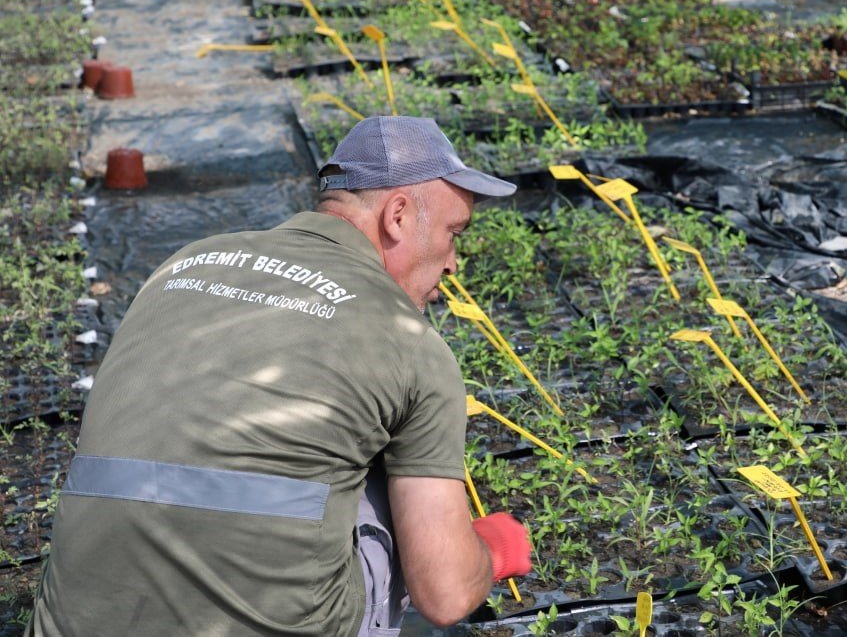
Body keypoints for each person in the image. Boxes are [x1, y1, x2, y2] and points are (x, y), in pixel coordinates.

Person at [30, 116, 533, 636]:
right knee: (389, 472)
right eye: (454, 234)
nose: (453, 264)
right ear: (398, 216)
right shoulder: (408, 340)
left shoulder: (184, 263)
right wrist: (491, 550)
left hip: (73, 622)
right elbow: (445, 594)